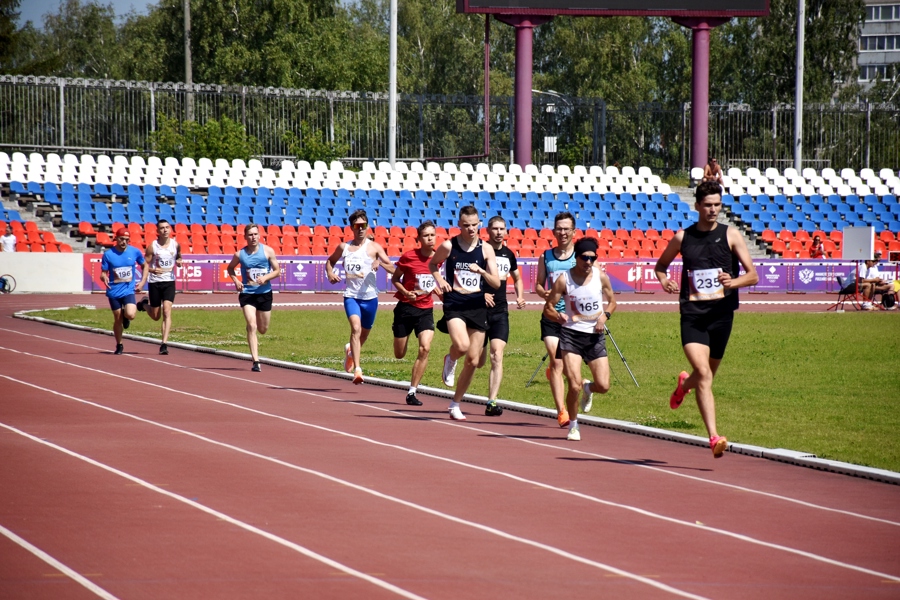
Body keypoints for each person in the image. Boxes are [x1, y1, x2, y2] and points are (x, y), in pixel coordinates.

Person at [654, 181, 759, 458]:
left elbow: (753, 275)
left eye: (717, 204)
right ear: (697, 206)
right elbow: (661, 266)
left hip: (722, 317)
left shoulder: (731, 235)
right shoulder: (682, 238)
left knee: (706, 376)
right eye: (708, 205)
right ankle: (714, 437)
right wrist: (664, 281)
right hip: (693, 317)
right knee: (703, 373)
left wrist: (732, 282)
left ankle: (683, 386)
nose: (713, 210)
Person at [430, 205, 500, 420]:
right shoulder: (449, 246)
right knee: (461, 346)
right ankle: (450, 358)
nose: (471, 229)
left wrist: (481, 271)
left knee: (473, 360)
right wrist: (441, 280)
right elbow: (433, 264)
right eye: (466, 225)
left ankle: (455, 403)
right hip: (455, 303)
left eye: (474, 225)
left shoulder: (486, 249)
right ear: (459, 225)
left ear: (480, 224)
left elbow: (496, 283)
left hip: (477, 305)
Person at [543, 237, 617, 441]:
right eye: (585, 257)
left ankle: (588, 388)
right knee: (573, 384)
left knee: (603, 386)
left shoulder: (600, 277)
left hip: (595, 337)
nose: (589, 262)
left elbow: (612, 302)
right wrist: (558, 316)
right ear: (577, 257)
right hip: (571, 336)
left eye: (593, 258)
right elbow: (548, 308)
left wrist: (605, 316)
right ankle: (573, 426)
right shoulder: (563, 280)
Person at [326, 210, 394, 385]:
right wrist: (330, 273)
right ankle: (358, 369)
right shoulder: (344, 248)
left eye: (363, 226)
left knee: (363, 335)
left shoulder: (374, 247)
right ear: (351, 228)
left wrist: (380, 263)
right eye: (357, 226)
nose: (361, 229)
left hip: (370, 298)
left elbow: (394, 269)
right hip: (352, 297)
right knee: (355, 329)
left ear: (367, 226)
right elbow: (330, 261)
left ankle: (350, 351)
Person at [478, 215, 526, 416]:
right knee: (477, 361)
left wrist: (520, 296)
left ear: (506, 231)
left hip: (500, 311)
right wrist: (483, 293)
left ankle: (491, 402)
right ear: (487, 231)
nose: (499, 233)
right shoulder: (480, 252)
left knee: (496, 355)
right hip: (478, 310)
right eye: (495, 229)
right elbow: (466, 279)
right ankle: (454, 355)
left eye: (502, 229)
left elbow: (517, 278)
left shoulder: (508, 255)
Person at [535, 212, 578, 427]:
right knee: (557, 360)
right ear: (553, 231)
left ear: (573, 232)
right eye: (559, 228)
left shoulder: (580, 257)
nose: (562, 232)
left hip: (574, 318)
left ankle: (568, 380)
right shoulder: (546, 256)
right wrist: (545, 294)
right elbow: (538, 285)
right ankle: (561, 411)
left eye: (566, 229)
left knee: (570, 368)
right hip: (552, 315)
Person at [391, 221, 441, 406]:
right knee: (399, 354)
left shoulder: (438, 259)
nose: (430, 238)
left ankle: (412, 391)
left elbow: (436, 281)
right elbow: (395, 278)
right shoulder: (409, 257)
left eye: (433, 235)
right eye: (426, 235)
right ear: (419, 239)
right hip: (405, 309)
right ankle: (397, 330)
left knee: (425, 348)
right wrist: (405, 292)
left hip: (425, 310)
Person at [226, 223, 281, 372]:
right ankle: (256, 361)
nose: (253, 237)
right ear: (245, 237)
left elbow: (277, 271)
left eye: (255, 234)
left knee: (263, 329)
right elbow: (230, 268)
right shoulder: (240, 255)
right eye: (250, 235)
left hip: (264, 294)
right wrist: (236, 280)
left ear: (259, 235)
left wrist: (266, 277)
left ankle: (255, 332)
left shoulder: (268, 251)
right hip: (247, 294)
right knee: (252, 325)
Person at [136, 219, 182, 355]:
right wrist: (152, 271)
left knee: (167, 311)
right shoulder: (153, 246)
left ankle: (164, 344)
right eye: (162, 228)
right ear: (158, 231)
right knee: (156, 316)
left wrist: (179, 262)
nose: (165, 230)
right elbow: (144, 265)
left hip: (169, 282)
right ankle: (144, 304)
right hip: (155, 282)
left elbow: (179, 257)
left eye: (167, 227)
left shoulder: (175, 245)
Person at [99, 227, 145, 355]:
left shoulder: (135, 252)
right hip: (114, 291)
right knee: (117, 318)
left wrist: (142, 282)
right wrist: (104, 277)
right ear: (116, 239)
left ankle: (127, 316)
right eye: (121, 239)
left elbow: (144, 265)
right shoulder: (108, 254)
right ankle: (119, 344)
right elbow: (103, 273)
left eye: (126, 239)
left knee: (131, 314)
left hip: (128, 290)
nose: (124, 242)